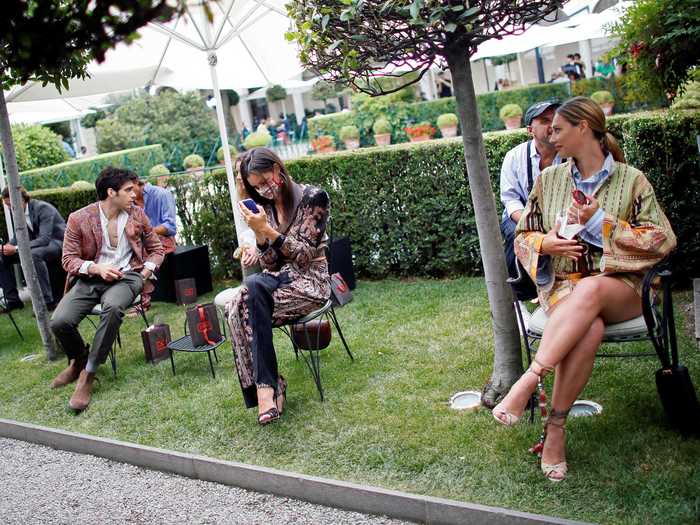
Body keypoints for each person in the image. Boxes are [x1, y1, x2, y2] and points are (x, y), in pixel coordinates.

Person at [492, 97, 676, 481]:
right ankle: (555, 431)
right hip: (563, 287)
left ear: (584, 129)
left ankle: (530, 378)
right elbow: (523, 235)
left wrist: (604, 223)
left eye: (558, 129)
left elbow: (662, 240)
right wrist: (547, 244)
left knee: (591, 291)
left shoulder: (631, 180)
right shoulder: (548, 181)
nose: (550, 136)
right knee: (587, 325)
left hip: (623, 288)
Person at [226, 147, 330, 425]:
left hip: (311, 283)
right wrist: (260, 232)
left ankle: (267, 390)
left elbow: (305, 257)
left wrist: (269, 231)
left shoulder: (313, 198)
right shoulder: (266, 207)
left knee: (241, 304)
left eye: (264, 179)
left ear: (276, 167)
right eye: (256, 186)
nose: (264, 189)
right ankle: (268, 389)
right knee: (249, 293)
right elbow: (270, 264)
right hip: (279, 280)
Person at [49, 167, 164, 411]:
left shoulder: (137, 215)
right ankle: (78, 359)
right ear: (111, 192)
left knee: (112, 308)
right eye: (128, 190)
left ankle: (88, 373)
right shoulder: (78, 218)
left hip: (128, 276)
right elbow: (68, 259)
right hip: (91, 278)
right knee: (59, 321)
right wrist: (96, 269)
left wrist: (145, 272)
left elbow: (157, 249)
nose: (135, 194)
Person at [499, 99, 562, 323]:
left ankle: (556, 289)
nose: (552, 125)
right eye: (544, 121)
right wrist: (530, 223)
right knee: (515, 239)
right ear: (530, 130)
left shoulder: (569, 154)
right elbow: (510, 199)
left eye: (555, 119)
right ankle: (519, 300)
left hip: (559, 217)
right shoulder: (514, 157)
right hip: (520, 216)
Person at [1, 187, 66, 312]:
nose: (9, 208)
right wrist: (5, 248)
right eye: (7, 205)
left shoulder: (42, 208)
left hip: (57, 242)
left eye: (10, 204)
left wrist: (15, 249)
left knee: (33, 255)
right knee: (2, 257)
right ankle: (13, 300)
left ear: (21, 199)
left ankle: (48, 301)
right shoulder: (17, 212)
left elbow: (45, 239)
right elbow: (17, 237)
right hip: (38, 245)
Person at [132, 176, 178, 310]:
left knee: (137, 254)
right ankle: (139, 297)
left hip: (164, 241)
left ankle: (143, 299)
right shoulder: (129, 202)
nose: (128, 193)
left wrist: (146, 232)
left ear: (136, 183)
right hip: (143, 244)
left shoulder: (161, 194)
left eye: (130, 188)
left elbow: (170, 227)